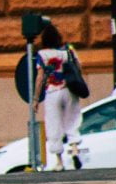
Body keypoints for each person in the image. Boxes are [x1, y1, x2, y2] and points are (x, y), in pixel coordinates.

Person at [32, 23, 84, 171]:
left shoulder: (42, 55)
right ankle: (74, 149)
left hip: (52, 91)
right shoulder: (68, 50)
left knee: (54, 124)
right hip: (69, 89)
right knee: (72, 120)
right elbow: (79, 66)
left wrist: (36, 98)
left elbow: (40, 77)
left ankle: (59, 162)